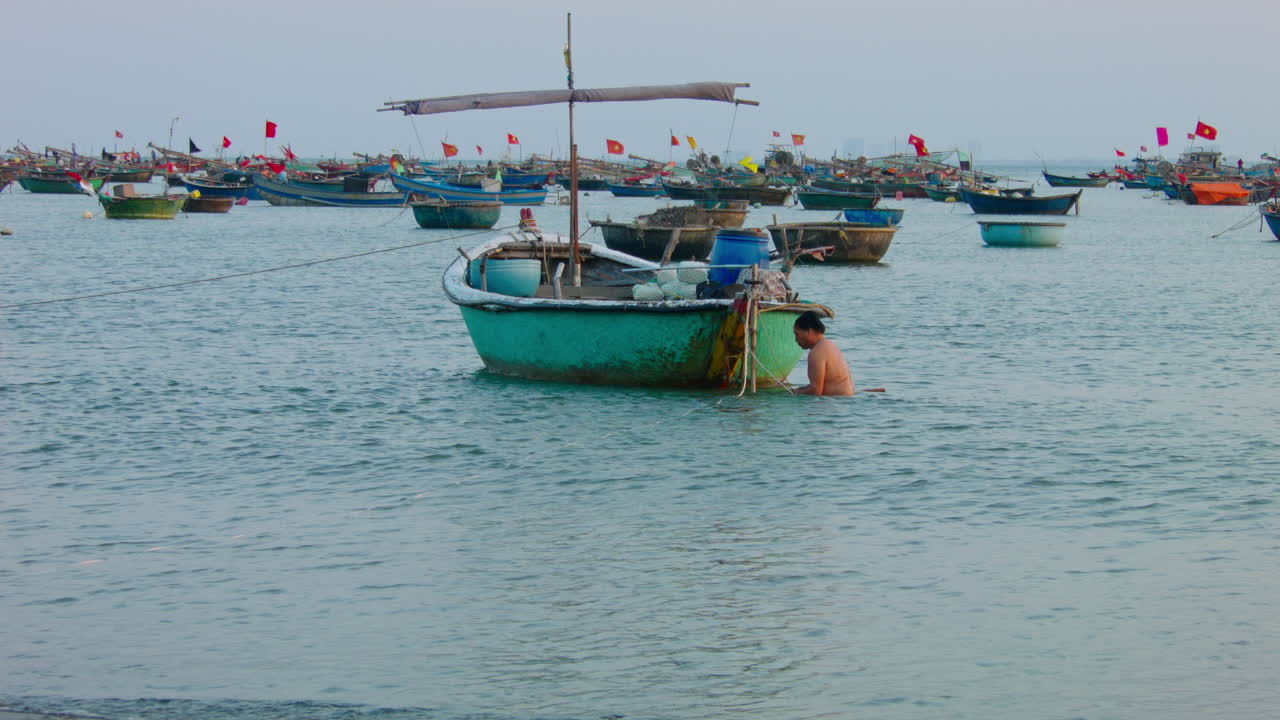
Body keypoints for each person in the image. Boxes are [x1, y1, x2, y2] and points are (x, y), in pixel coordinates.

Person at [791, 311, 854, 396]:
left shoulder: (816, 352)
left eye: (797, 334)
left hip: (833, 403)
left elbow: (815, 390)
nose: (796, 340)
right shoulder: (831, 346)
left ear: (810, 331)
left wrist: (795, 392)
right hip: (845, 401)